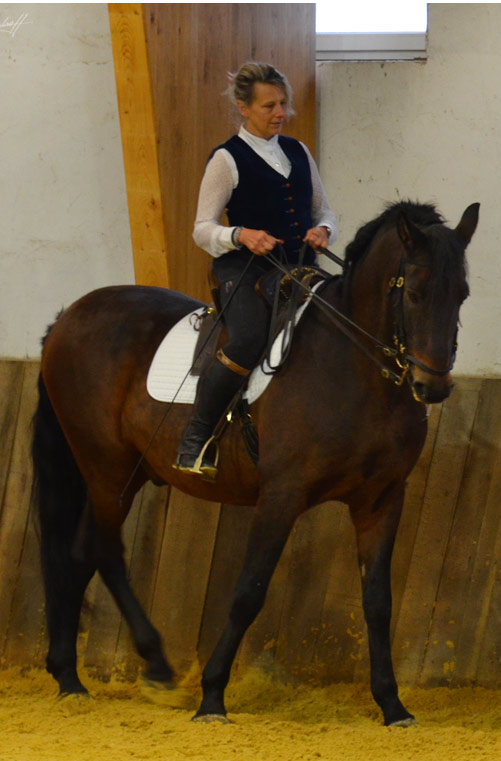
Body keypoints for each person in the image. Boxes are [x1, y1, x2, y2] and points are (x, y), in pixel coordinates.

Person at [176, 61, 339, 479]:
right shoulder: (226, 160)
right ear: (243, 108)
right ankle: (196, 440)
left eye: (283, 104)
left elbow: (323, 209)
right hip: (244, 269)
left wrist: (323, 229)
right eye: (269, 106)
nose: (280, 113)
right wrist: (241, 235)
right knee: (248, 338)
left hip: (301, 267)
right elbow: (201, 230)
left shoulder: (299, 152)